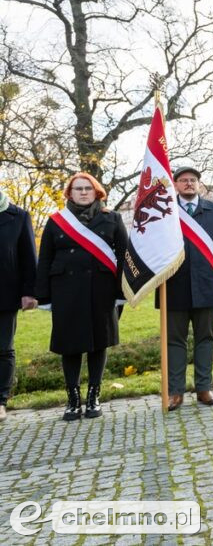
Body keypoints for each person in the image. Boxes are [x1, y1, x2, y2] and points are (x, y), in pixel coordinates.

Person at [36, 173, 127, 421]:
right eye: (78, 189)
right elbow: (44, 261)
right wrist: (43, 297)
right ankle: (73, 399)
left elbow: (124, 258)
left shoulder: (113, 219)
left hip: (102, 291)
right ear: (70, 193)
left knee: (99, 343)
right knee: (70, 346)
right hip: (66, 292)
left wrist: (122, 293)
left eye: (88, 188)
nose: (83, 192)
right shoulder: (56, 222)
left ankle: (93, 396)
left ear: (96, 192)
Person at [163, 166, 213, 411]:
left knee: (205, 338)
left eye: (193, 180)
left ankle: (204, 387)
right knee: (175, 341)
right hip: (174, 286)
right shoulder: (165, 212)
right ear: (175, 184)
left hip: (207, 286)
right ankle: (175, 392)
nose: (188, 184)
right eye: (183, 180)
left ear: (199, 184)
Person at [0, 189, 37, 422]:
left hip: (5, 292)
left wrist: (29, 292)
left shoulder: (19, 216)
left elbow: (28, 257)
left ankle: (0, 401)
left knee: (3, 348)